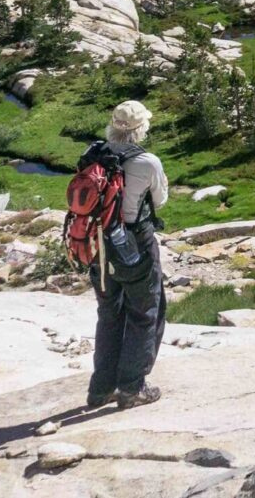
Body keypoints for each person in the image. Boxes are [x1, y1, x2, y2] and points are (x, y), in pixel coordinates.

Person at [86, 100, 169, 409]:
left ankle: (100, 388)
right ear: (141, 129)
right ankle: (132, 388)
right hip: (135, 243)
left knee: (109, 313)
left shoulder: (95, 154)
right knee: (145, 312)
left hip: (99, 246)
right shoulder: (149, 162)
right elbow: (159, 201)